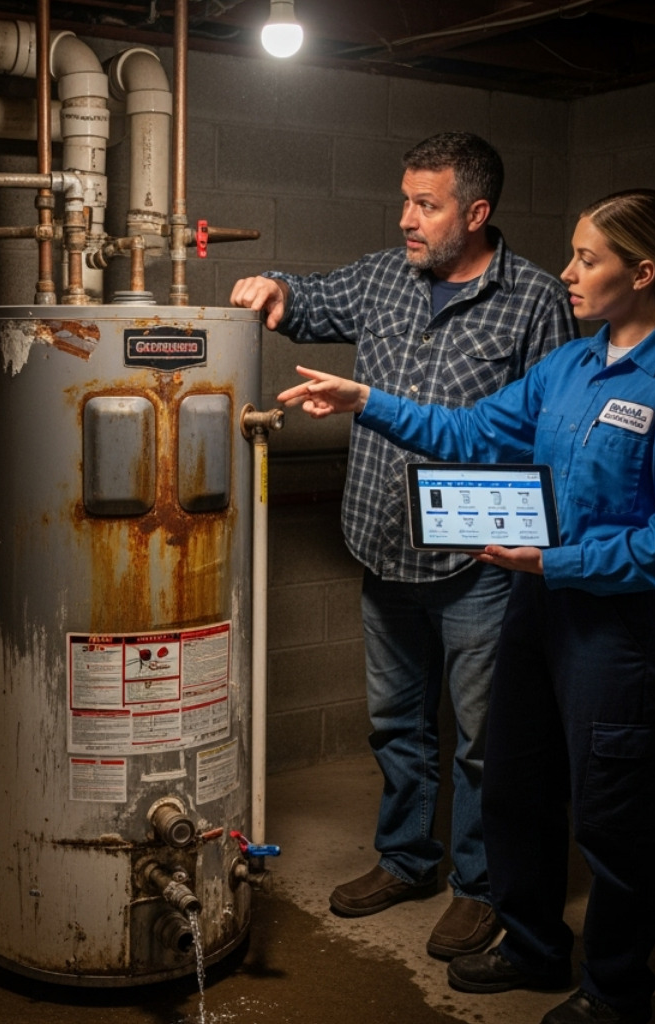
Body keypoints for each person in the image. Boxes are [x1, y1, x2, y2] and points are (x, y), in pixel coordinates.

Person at [275, 188, 655, 1024]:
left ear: (642, 274)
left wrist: (558, 558)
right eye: (571, 254)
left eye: (587, 259)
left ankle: (614, 990)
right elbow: (474, 432)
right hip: (537, 610)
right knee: (517, 790)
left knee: (613, 823)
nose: (567, 273)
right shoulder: (569, 366)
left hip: (618, 634)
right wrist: (368, 402)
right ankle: (531, 944)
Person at [230, 132, 577, 960]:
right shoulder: (386, 274)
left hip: (478, 563)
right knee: (396, 724)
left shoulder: (534, 299)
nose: (407, 218)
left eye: (427, 204)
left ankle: (481, 885)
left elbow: (554, 430)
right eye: (406, 199)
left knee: (485, 741)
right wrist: (274, 285)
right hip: (383, 546)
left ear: (476, 212)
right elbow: (311, 301)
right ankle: (407, 859)